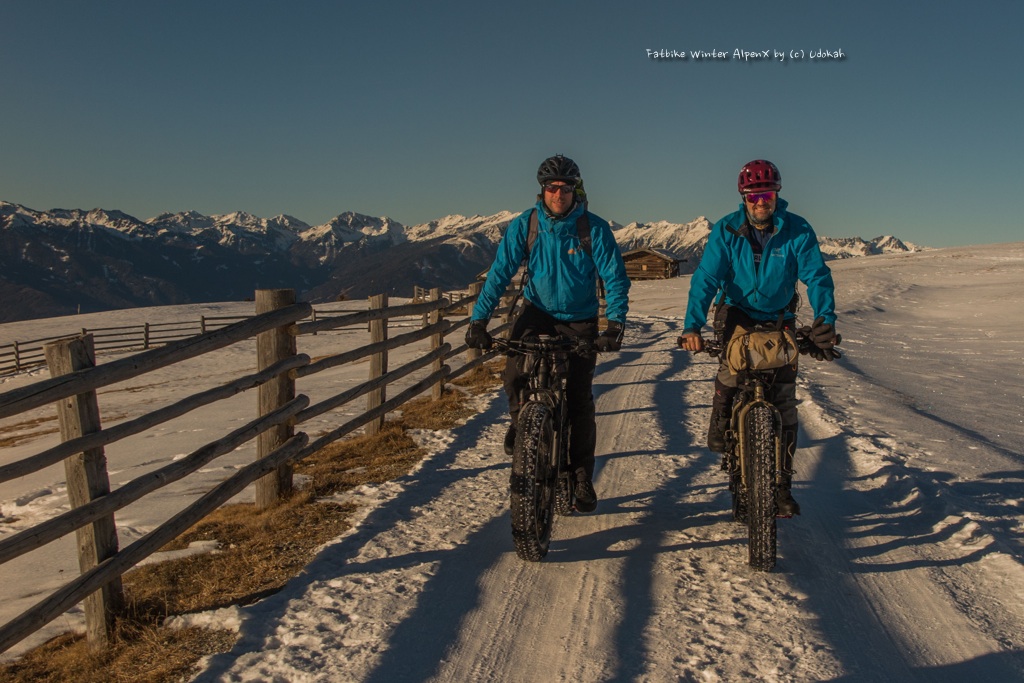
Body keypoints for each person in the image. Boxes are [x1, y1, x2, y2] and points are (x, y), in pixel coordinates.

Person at [465, 154, 630, 513]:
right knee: (513, 374)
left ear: (576, 190)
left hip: (580, 318)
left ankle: (582, 474)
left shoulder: (593, 229)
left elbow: (615, 278)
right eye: (551, 188)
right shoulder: (526, 225)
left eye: (565, 188)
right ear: (542, 191)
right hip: (536, 312)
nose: (558, 194)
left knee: (579, 398)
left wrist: (614, 325)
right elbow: (499, 273)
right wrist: (478, 321)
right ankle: (523, 422)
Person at [678, 159, 839, 516]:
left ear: (776, 195)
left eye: (766, 194)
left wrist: (825, 320)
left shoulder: (796, 230)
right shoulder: (727, 230)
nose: (760, 202)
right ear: (743, 197)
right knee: (732, 369)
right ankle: (720, 420)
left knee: (784, 395)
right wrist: (693, 326)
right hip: (735, 311)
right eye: (753, 196)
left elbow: (817, 277)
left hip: (780, 316)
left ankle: (781, 485)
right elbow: (705, 278)